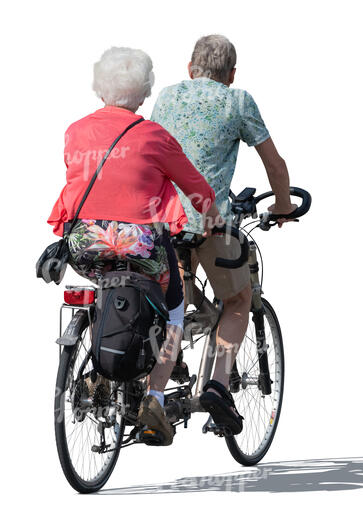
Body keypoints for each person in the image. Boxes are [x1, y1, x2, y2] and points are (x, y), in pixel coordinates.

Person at [48, 47, 221, 445]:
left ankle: (97, 375)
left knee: (107, 286)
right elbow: (198, 191)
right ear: (143, 92)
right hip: (139, 244)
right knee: (174, 308)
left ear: (99, 88)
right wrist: (211, 220)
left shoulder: (75, 131)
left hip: (84, 243)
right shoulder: (154, 135)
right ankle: (155, 402)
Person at [151, 34, 296, 434]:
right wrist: (282, 207)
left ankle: (168, 361)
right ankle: (216, 385)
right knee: (238, 299)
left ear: (189, 68)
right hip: (210, 221)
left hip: (162, 221)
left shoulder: (166, 97)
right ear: (231, 74)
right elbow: (275, 165)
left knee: (175, 299)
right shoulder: (237, 101)